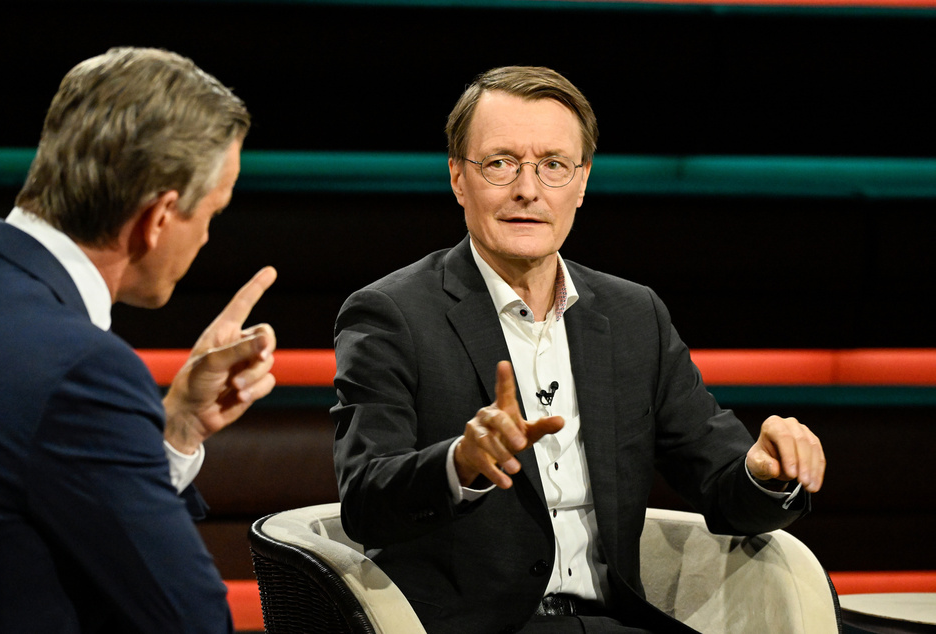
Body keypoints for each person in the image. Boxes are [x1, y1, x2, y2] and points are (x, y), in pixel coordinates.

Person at [332, 66, 826, 634]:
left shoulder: (632, 314)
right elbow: (366, 500)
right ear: (458, 179)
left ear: (582, 182)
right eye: (499, 163)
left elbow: (722, 485)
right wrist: (460, 464)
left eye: (553, 165)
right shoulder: (392, 314)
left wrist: (766, 473)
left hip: (617, 621)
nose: (527, 189)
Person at [0, 47, 276, 633]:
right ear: (159, 217)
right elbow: (188, 619)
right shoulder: (83, 372)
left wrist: (177, 429)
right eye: (212, 213)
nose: (208, 239)